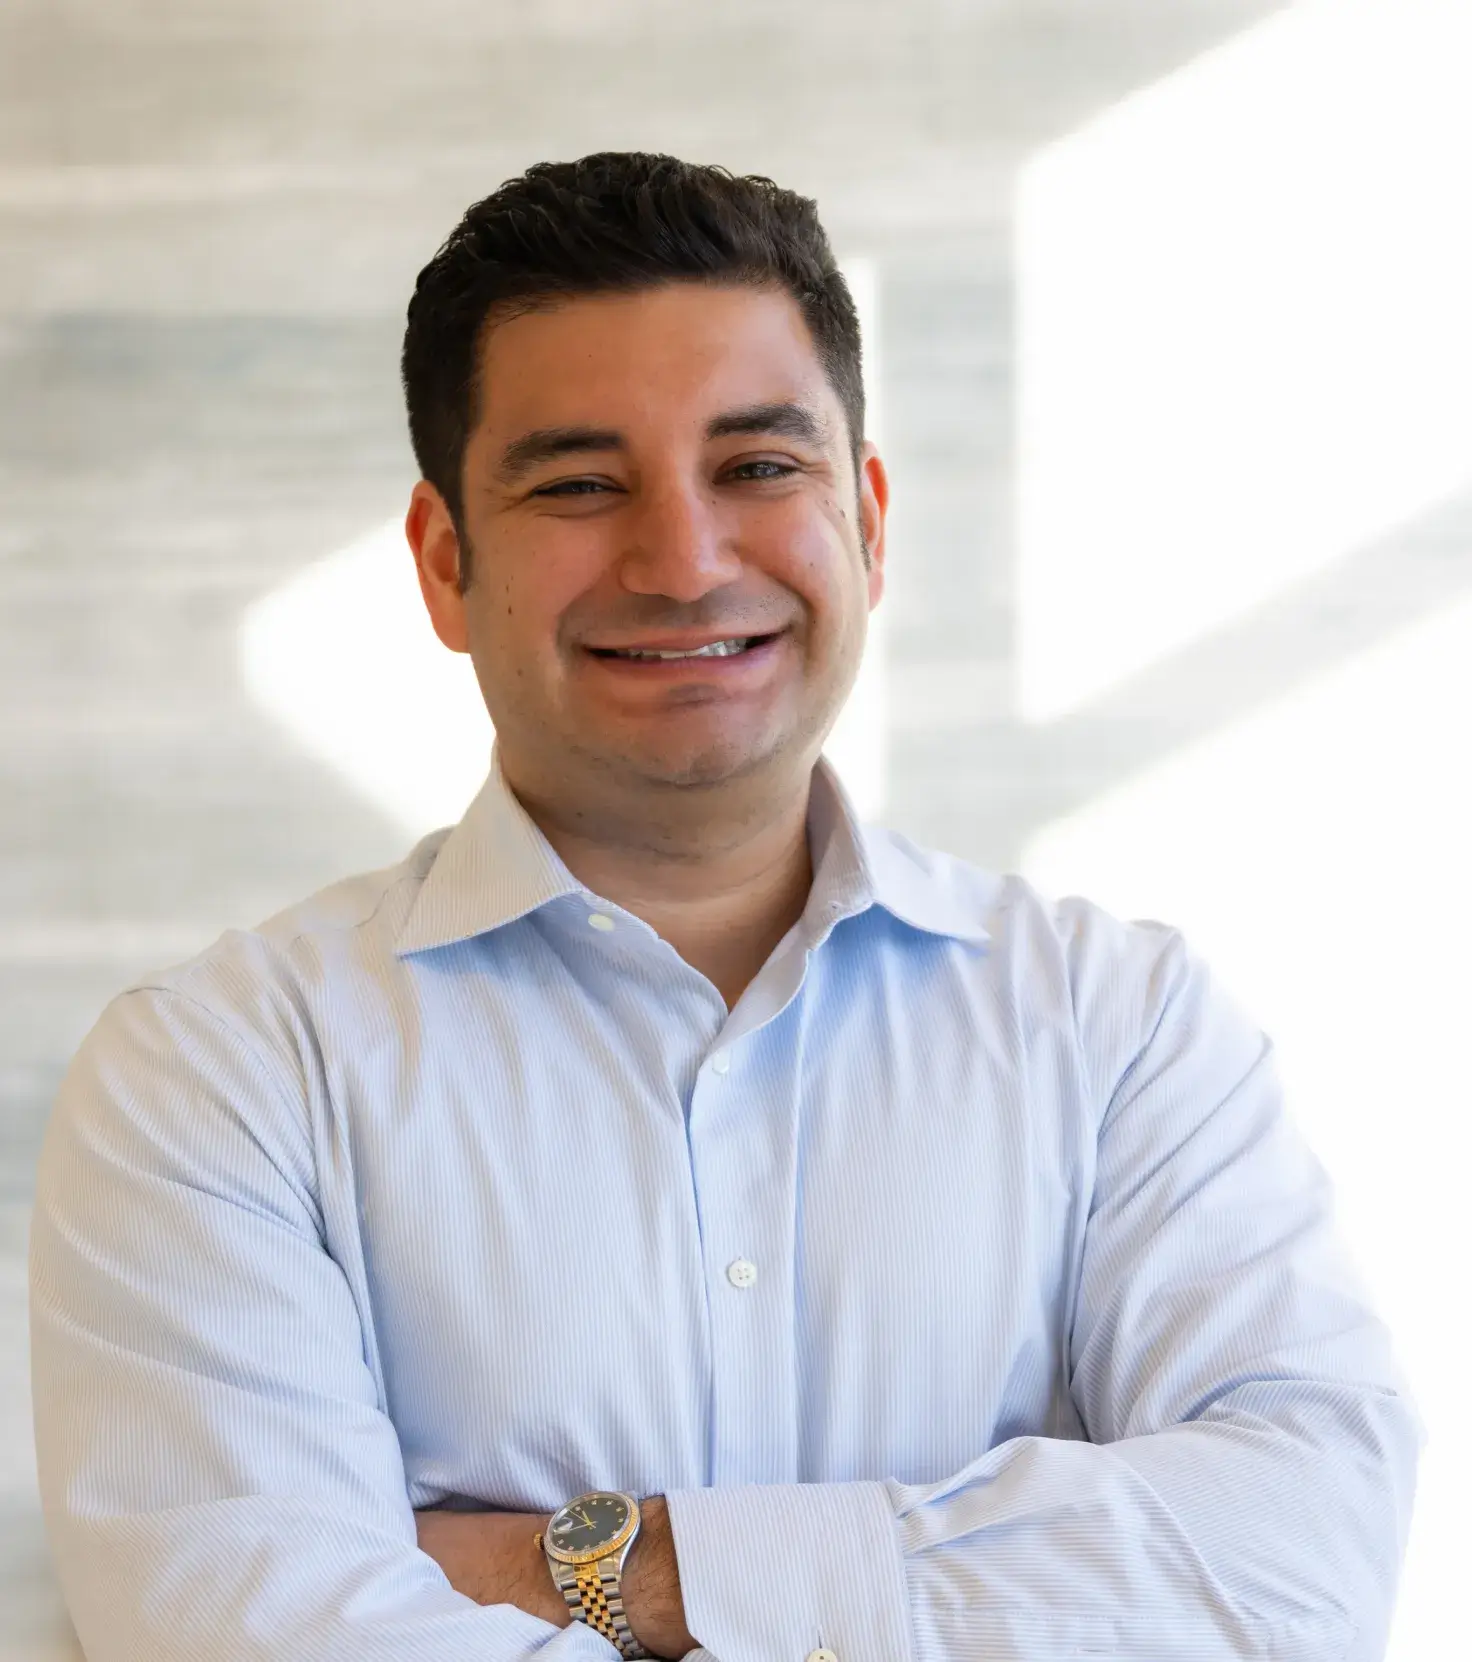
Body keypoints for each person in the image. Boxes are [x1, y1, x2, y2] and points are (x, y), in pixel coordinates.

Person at [29, 151, 1418, 1662]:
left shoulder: (1122, 1028)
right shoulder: (221, 1077)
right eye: (578, 484)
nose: (684, 563)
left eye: (757, 467)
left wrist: (602, 1569)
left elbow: (1304, 1568)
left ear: (867, 521)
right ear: (444, 564)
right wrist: (1000, 1582)